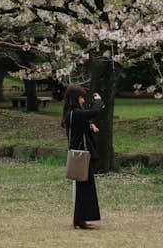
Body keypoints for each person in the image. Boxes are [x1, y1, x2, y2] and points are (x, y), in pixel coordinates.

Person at [61, 84, 104, 230]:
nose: (83, 100)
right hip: (81, 154)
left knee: (84, 186)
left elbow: (79, 128)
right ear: (75, 98)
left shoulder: (71, 114)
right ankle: (80, 219)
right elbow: (94, 112)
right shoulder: (75, 113)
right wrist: (98, 101)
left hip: (79, 153)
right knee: (84, 187)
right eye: (81, 98)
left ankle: (81, 218)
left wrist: (89, 127)